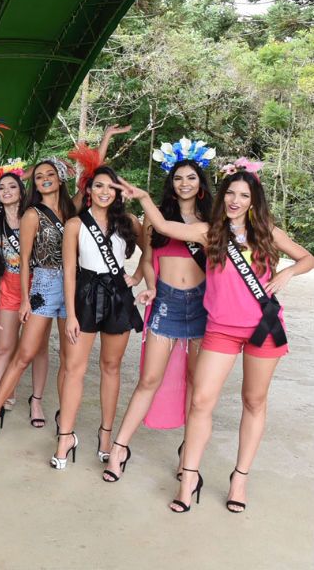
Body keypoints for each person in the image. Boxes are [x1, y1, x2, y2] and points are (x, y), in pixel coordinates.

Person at [113, 169, 312, 513]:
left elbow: (308, 258)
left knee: (253, 401)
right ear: (222, 198)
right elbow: (164, 227)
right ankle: (189, 478)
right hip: (220, 328)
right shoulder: (210, 232)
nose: (236, 201)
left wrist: (287, 273)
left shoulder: (267, 233)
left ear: (254, 202)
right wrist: (144, 198)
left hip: (264, 328)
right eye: (231, 194)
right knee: (201, 400)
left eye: (244, 196)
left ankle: (240, 478)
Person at [103, 148, 214, 482]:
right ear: (171, 183)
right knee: (148, 380)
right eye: (178, 177)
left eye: (191, 177)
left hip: (200, 305)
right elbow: (149, 260)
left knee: (197, 383)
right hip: (165, 302)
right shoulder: (155, 220)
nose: (184, 183)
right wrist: (147, 283)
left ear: (201, 184)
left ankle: (188, 455)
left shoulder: (210, 223)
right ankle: (120, 447)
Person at [0, 160, 77, 446]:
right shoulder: (22, 217)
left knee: (47, 352)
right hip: (33, 286)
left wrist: (100, 146)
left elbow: (94, 180)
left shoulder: (66, 210)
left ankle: (37, 401)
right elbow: (22, 259)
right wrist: (26, 300)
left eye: (51, 175)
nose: (45, 179)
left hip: (65, 284)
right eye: (40, 175)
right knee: (19, 351)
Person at [53, 166, 143, 470]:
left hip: (118, 296)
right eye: (99, 186)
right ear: (89, 189)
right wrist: (72, 314)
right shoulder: (75, 224)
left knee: (111, 366)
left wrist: (139, 275)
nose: (105, 192)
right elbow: (68, 271)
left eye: (111, 187)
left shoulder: (128, 222)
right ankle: (65, 436)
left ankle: (106, 436)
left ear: (119, 192)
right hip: (86, 295)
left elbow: (153, 250)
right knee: (74, 367)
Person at [0, 169, 48, 426]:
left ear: (21, 191)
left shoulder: (35, 216)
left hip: (38, 287)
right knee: (4, 348)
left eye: (12, 186)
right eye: (1, 188)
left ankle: (37, 400)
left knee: (38, 348)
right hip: (10, 287)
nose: (6, 191)